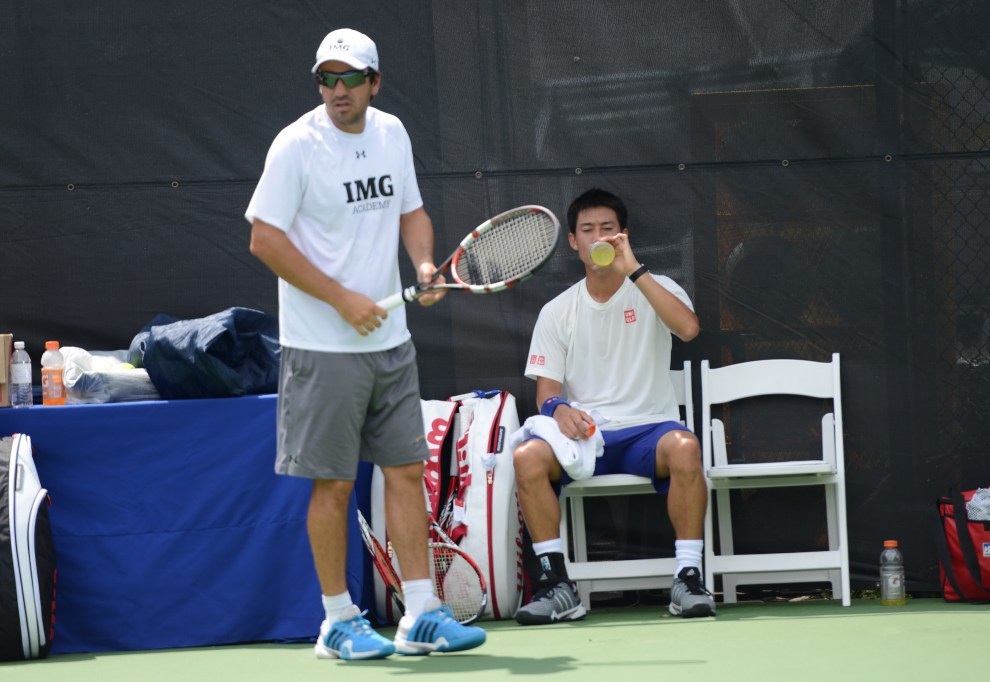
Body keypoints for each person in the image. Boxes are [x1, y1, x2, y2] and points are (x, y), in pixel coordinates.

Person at [246, 28, 485, 659]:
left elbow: (411, 212)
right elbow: (264, 239)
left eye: (350, 77)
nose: (337, 90)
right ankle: (336, 622)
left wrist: (425, 266)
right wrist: (340, 299)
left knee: (405, 474)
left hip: (391, 344)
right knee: (333, 484)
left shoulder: (392, 134)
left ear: (374, 83)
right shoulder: (296, 145)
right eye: (326, 78)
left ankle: (422, 615)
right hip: (321, 349)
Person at [513, 188, 716, 625]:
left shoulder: (657, 287)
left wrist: (634, 270)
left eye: (608, 228)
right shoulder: (557, 310)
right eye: (587, 230)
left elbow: (688, 329)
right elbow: (547, 391)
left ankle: (688, 578)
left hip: (650, 431)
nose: (598, 237)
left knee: (686, 447)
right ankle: (556, 584)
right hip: (589, 437)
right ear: (574, 241)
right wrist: (560, 410)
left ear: (623, 235)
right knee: (527, 457)